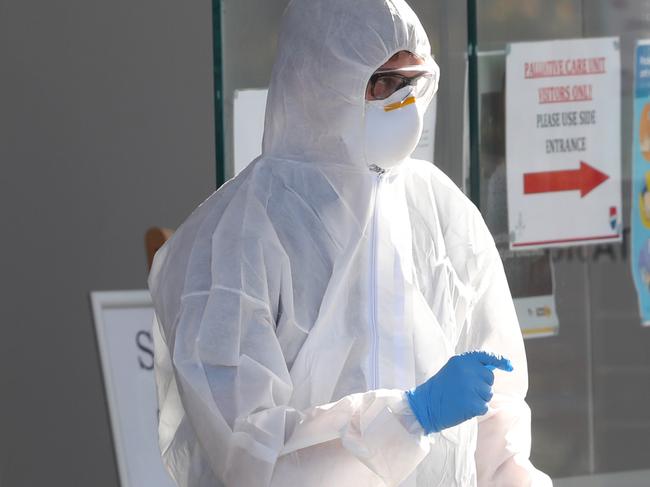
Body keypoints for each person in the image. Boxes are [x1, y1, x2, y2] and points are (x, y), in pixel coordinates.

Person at [148, 0, 552, 485]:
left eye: (409, 84)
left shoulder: (439, 211)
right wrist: (409, 416)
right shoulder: (233, 238)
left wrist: (513, 476)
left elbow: (497, 408)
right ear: (314, 81)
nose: (399, 103)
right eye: (380, 83)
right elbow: (248, 451)